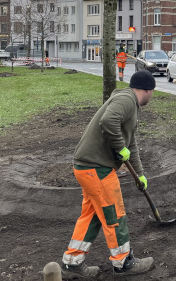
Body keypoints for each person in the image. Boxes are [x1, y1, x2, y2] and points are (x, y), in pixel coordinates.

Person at [60, 70, 157, 278]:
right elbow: (107, 120)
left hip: (88, 167)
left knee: (93, 215)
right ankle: (123, 263)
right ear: (148, 90)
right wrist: (120, 147)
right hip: (96, 168)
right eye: (153, 92)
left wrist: (140, 174)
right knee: (115, 215)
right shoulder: (126, 100)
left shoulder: (131, 105)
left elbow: (131, 145)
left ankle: (72, 262)